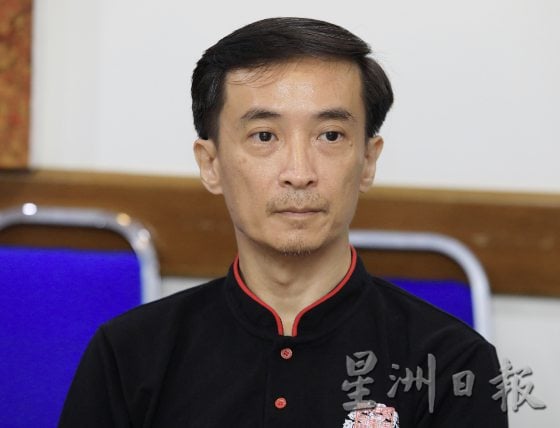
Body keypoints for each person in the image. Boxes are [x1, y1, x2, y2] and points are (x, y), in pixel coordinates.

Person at [60, 17, 508, 427]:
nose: (299, 172)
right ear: (211, 164)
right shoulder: (129, 354)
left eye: (330, 135)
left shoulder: (454, 364)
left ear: (368, 161)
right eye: (264, 136)